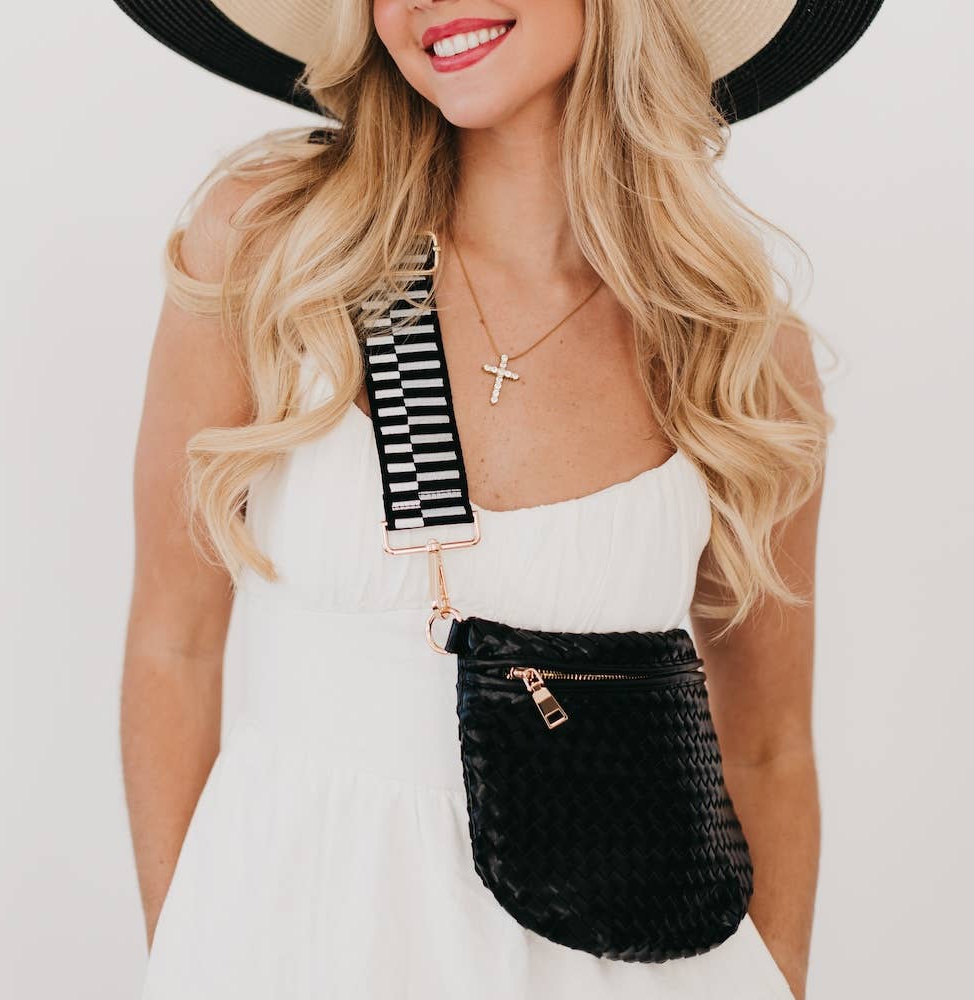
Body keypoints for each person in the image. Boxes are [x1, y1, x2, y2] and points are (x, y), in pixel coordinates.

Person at [116, 2, 885, 998]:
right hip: (295, 947)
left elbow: (769, 746)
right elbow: (171, 646)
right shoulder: (280, 248)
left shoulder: (730, 349)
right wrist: (185, 953)